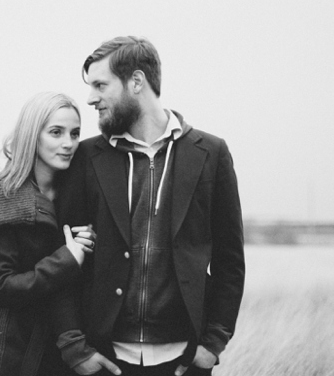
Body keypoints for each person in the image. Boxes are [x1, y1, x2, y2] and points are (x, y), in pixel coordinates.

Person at [55, 36, 246, 376]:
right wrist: (75, 349)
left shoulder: (211, 154)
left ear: (136, 82)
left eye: (101, 85)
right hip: (104, 358)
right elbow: (63, 256)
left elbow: (230, 260)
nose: (91, 98)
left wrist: (211, 346)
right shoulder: (86, 157)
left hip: (184, 360)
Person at [0, 92, 97, 376]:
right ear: (31, 135)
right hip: (14, 348)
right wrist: (67, 260)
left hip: (71, 346)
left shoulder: (79, 192)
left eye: (75, 133)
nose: (69, 143)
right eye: (56, 132)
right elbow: (2, 288)